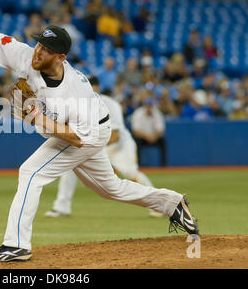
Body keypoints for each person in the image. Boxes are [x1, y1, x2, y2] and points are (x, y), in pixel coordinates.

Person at [0, 5, 199, 262]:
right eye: (39, 44)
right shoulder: (26, 55)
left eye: (46, 50)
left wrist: (32, 116)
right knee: (110, 189)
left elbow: (75, 139)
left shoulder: (73, 92)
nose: (38, 52)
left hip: (88, 132)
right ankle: (172, 203)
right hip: (77, 128)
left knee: (31, 172)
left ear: (61, 57)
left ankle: (17, 245)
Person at [45, 76, 163, 218]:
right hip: (93, 144)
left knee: (130, 173)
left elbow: (115, 135)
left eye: (90, 87)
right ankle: (62, 207)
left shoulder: (110, 104)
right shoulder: (77, 104)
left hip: (118, 146)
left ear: (97, 88)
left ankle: (159, 204)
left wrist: (88, 146)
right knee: (70, 168)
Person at [131, 99, 167, 166]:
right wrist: (147, 136)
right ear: (144, 106)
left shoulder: (157, 113)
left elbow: (161, 131)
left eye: (150, 106)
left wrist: (154, 136)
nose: (149, 108)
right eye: (147, 105)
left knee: (163, 141)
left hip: (154, 137)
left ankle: (163, 166)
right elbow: (135, 131)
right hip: (142, 138)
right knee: (136, 141)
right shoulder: (138, 113)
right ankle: (138, 165)